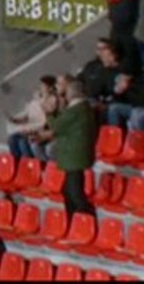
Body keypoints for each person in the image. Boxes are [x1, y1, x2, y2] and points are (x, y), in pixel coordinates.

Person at [42, 79, 97, 216]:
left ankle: (85, 218)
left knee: (75, 193)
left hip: (74, 156)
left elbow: (56, 126)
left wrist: (48, 113)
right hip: (74, 155)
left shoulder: (76, 110)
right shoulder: (81, 108)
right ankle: (73, 220)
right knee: (68, 191)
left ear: (72, 92)